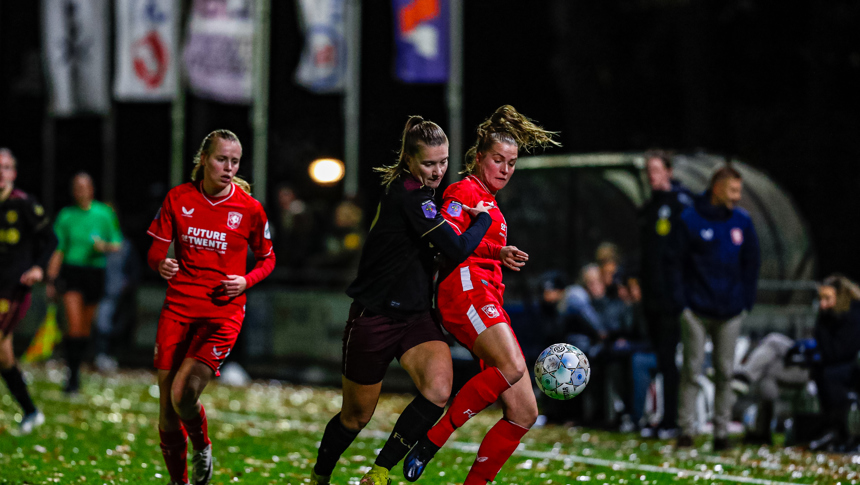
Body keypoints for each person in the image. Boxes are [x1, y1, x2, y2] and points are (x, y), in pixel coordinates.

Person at [309, 116, 494, 485]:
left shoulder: (419, 192)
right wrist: (483, 221)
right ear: (409, 160)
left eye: (443, 162)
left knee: (438, 390)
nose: (438, 171)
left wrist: (494, 251)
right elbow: (456, 248)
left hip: (415, 317)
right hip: (375, 316)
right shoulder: (410, 196)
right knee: (355, 418)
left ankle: (379, 472)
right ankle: (320, 476)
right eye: (429, 163)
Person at [405, 105, 559, 484]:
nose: (505, 169)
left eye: (511, 163)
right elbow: (447, 242)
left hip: (489, 299)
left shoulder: (492, 204)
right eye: (497, 160)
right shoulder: (463, 191)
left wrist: (497, 252)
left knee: (524, 412)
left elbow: (476, 242)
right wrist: (494, 249)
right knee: (513, 367)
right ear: (479, 158)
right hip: (465, 292)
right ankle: (431, 440)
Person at [147, 130, 275, 485]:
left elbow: (268, 258)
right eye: (222, 159)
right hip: (178, 309)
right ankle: (179, 482)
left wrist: (246, 281)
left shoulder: (249, 208)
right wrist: (161, 263)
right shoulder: (178, 198)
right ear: (203, 159)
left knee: (183, 394)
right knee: (167, 407)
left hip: (222, 315)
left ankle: (202, 445)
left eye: (235, 161)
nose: (229, 168)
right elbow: (155, 250)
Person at [668, 165, 761, 450]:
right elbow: (675, 263)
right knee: (691, 371)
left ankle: (721, 433)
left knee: (725, 372)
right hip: (696, 310)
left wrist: (745, 300)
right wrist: (682, 303)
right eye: (733, 190)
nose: (737, 196)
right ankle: (686, 430)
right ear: (717, 188)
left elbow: (752, 262)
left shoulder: (742, 221)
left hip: (730, 311)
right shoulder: (690, 219)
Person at [47, 172, 122, 394]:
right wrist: (51, 278)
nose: (81, 191)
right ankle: (71, 377)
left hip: (95, 272)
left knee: (85, 329)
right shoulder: (66, 215)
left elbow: (116, 243)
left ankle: (76, 371)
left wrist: (103, 247)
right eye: (77, 187)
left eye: (84, 186)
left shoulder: (104, 213)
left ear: (91, 189)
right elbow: (58, 249)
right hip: (72, 272)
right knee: (74, 325)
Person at [0, 148, 57, 434]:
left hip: (14, 288)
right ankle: (31, 411)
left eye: (5, 167)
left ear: (13, 173)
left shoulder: (23, 204)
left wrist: (38, 268)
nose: (1, 173)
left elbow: (50, 239)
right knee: (3, 355)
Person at [637, 151, 693, 439]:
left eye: (657, 169)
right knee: (659, 359)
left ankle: (672, 419)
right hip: (651, 298)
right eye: (649, 170)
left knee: (670, 360)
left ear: (669, 171)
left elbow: (683, 254)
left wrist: (681, 293)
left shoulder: (681, 205)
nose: (652, 175)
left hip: (672, 299)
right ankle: (658, 416)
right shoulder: (649, 208)